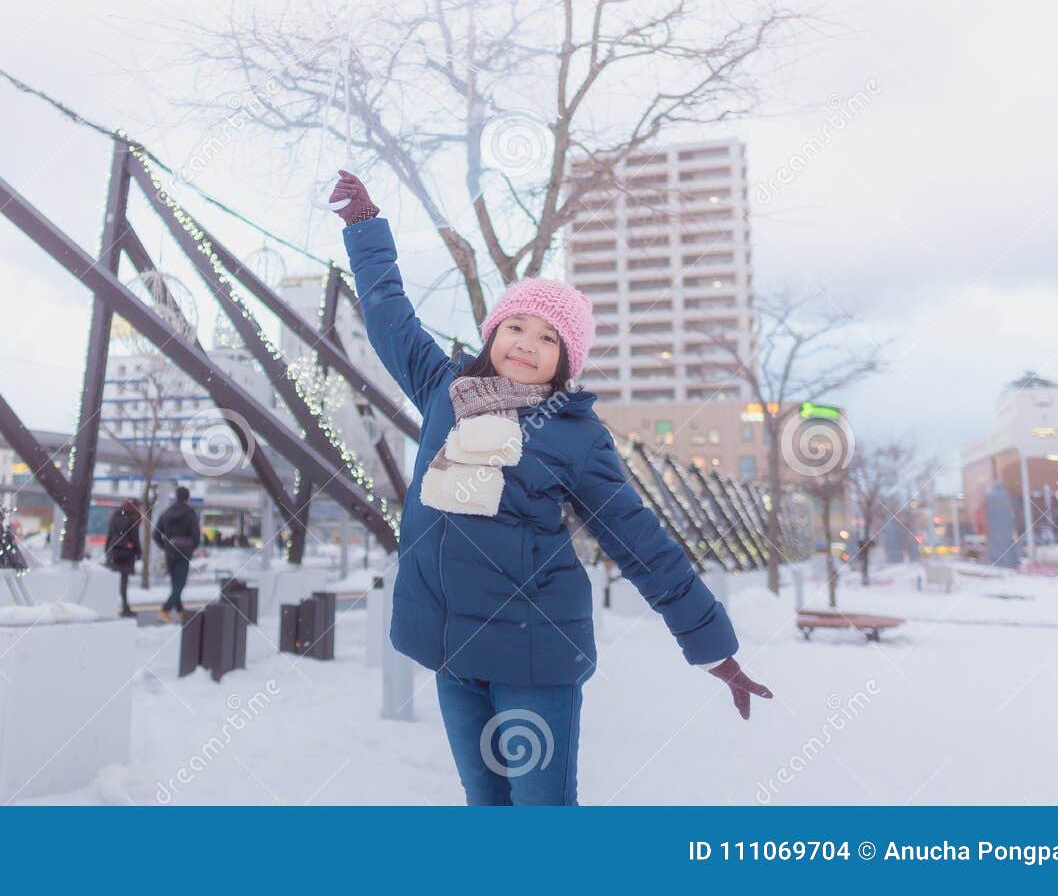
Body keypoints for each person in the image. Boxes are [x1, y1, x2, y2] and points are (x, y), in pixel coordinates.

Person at [329, 169, 772, 806]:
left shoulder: (574, 435)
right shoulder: (443, 388)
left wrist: (712, 646)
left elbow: (642, 544)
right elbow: (389, 317)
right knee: (486, 806)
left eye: (549, 339)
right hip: (455, 652)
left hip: (535, 658)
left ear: (566, 361)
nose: (528, 344)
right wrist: (367, 230)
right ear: (493, 332)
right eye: (517, 327)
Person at [153, 486, 200, 622]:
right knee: (180, 585)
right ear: (187, 498)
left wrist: (165, 547)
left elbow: (156, 534)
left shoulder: (167, 512)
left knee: (175, 584)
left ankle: (180, 612)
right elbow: (196, 537)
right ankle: (164, 610)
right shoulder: (190, 514)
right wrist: (191, 547)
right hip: (183, 553)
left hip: (170, 553)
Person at [103, 499, 144, 618]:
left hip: (114, 551)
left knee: (114, 582)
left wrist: (107, 550)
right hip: (126, 553)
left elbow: (110, 534)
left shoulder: (115, 515)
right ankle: (125, 608)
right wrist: (139, 552)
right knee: (124, 583)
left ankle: (110, 607)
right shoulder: (133, 518)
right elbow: (134, 537)